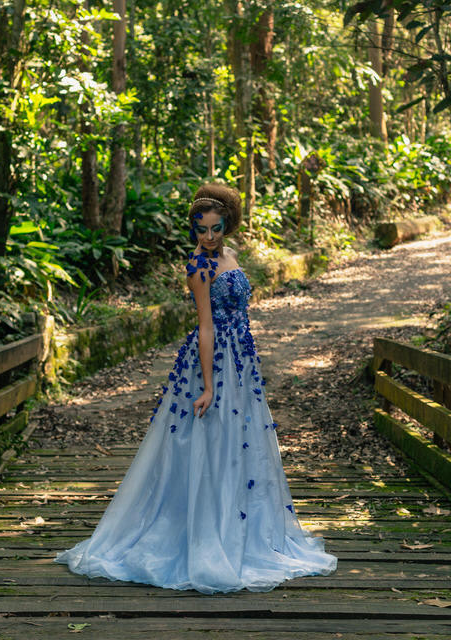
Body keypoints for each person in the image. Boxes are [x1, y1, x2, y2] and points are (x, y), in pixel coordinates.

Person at [54, 183, 337, 593]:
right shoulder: (198, 269)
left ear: (227, 227)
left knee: (238, 445)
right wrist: (207, 386)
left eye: (216, 228)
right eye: (201, 229)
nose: (209, 237)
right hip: (212, 361)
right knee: (208, 443)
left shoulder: (232, 257)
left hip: (241, 363)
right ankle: (203, 535)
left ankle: (241, 528)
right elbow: (205, 327)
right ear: (192, 229)